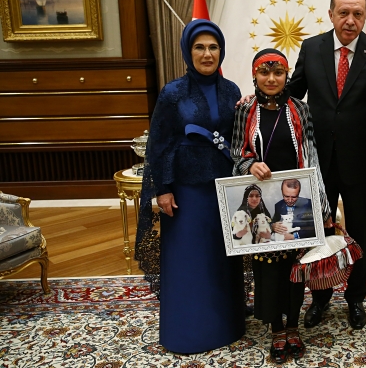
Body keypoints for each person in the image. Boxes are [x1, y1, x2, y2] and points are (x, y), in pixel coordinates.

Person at [134, 19, 245, 354]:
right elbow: (158, 144)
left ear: (221, 51)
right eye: (199, 47)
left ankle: (228, 324)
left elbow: (239, 136)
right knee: (190, 260)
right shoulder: (172, 93)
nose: (207, 54)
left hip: (225, 187)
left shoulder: (232, 91)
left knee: (222, 257)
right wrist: (163, 189)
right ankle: (190, 331)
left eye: (213, 47)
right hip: (187, 190)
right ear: (187, 51)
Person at [289, 0, 366, 330]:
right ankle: (320, 297)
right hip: (317, 162)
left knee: (361, 232)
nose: (350, 20)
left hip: (362, 163)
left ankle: (356, 297)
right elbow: (293, 94)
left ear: (365, 16)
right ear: (331, 14)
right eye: (343, 13)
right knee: (318, 231)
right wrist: (261, 98)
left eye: (357, 14)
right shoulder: (312, 48)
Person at [231, 48, 332, 364]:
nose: (271, 79)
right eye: (265, 72)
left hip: (295, 202)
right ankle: (276, 328)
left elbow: (311, 154)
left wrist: (320, 202)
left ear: (287, 75)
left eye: (278, 73)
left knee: (294, 266)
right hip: (262, 204)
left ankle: (293, 326)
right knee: (269, 266)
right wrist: (250, 165)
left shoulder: (300, 109)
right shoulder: (245, 109)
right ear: (255, 76)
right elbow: (236, 152)